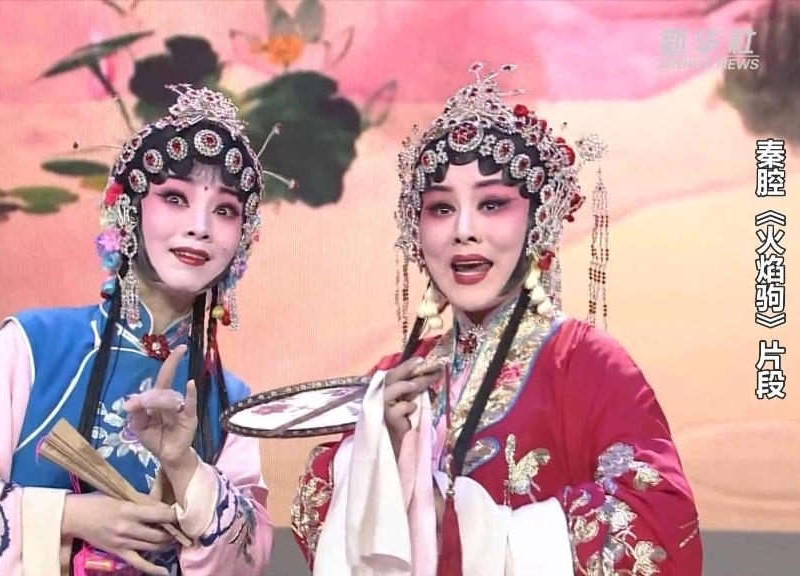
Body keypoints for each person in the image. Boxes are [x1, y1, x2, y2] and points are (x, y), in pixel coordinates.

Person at [290, 63, 703, 575]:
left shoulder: (584, 363)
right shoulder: (397, 378)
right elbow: (313, 522)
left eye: (492, 204)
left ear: (537, 221)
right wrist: (382, 454)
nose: (464, 231)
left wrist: (464, 527)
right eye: (441, 209)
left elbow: (659, 527)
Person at [0, 84, 280, 576]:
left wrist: (183, 464)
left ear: (242, 239)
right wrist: (73, 517)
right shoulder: (35, 345)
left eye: (225, 210)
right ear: (129, 210)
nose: (200, 226)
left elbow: (247, 560)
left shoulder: (230, 400)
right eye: (174, 198)